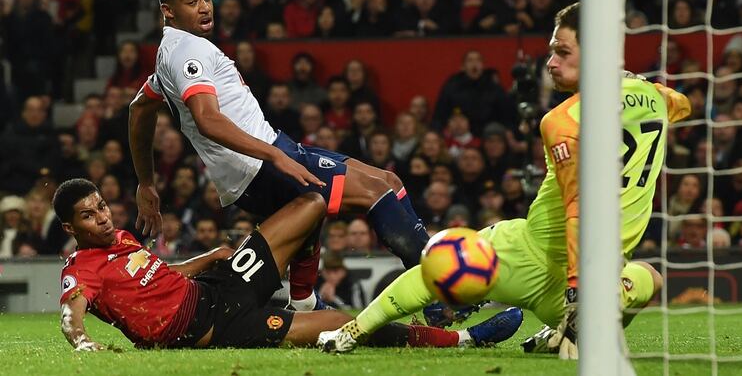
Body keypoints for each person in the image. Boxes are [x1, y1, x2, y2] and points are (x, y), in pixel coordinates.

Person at [317, 2, 692, 358]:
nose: (550, 62)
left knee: (440, 262)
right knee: (649, 279)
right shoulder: (654, 98)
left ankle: (351, 332)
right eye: (551, 51)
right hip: (592, 274)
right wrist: (637, 83)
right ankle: (569, 327)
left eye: (562, 52)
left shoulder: (561, 121)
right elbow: (683, 106)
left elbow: (579, 209)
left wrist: (577, 292)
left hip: (537, 263)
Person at [129, 0, 430, 313]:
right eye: (191, 1)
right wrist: (274, 156)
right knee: (377, 191)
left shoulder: (169, 52)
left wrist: (146, 183)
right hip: (258, 165)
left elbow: (139, 110)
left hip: (264, 156)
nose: (204, 7)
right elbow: (207, 120)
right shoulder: (188, 51)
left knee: (387, 181)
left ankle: (303, 302)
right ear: (168, 11)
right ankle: (439, 289)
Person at [56, 178, 519, 351]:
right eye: (89, 215)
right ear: (70, 227)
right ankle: (463, 340)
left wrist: (209, 257)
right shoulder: (81, 268)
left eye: (101, 206)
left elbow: (160, 279)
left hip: (218, 285)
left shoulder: (120, 238)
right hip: (213, 328)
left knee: (310, 204)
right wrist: (81, 342)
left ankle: (303, 297)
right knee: (343, 325)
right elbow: (70, 312)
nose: (103, 217)